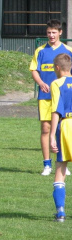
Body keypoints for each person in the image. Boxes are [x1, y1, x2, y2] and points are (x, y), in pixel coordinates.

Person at [30, 19, 72, 176]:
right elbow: (34, 69)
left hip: (64, 96)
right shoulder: (40, 51)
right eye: (49, 32)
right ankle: (47, 164)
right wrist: (41, 82)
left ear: (60, 32)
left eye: (54, 32)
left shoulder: (68, 50)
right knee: (46, 128)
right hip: (46, 96)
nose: (51, 35)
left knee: (62, 129)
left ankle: (63, 162)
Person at [49, 53, 72, 222]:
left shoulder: (56, 83)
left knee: (60, 169)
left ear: (57, 68)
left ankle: (61, 212)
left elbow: (57, 109)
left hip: (66, 125)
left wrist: (52, 135)